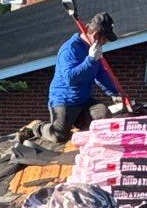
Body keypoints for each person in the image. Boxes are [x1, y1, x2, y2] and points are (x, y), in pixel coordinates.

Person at [45, 12, 121, 141]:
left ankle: (81, 124)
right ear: (96, 35)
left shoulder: (94, 50)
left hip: (84, 100)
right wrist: (90, 60)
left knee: (103, 114)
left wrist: (114, 93)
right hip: (65, 100)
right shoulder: (70, 49)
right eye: (105, 39)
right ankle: (37, 128)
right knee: (59, 135)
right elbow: (71, 79)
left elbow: (100, 74)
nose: (105, 42)